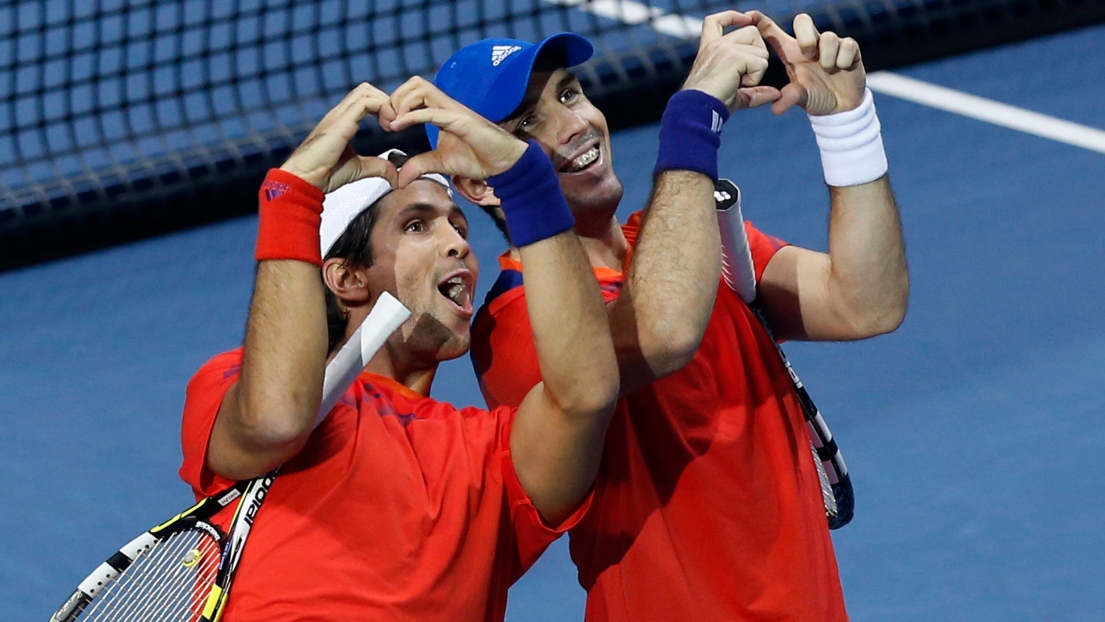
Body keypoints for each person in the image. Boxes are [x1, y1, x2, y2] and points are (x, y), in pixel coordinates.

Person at [432, 10, 909, 621]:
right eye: (528, 124)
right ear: (480, 187)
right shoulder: (514, 324)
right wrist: (693, 113)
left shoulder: (680, 240)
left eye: (569, 93)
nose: (575, 124)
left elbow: (865, 301)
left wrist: (847, 122)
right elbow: (664, 330)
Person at [178, 79, 620, 620]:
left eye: (458, 225)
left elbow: (587, 394)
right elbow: (274, 420)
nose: (459, 242)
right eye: (417, 226)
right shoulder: (233, 383)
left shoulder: (494, 458)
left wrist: (527, 184)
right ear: (346, 277)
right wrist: (291, 194)